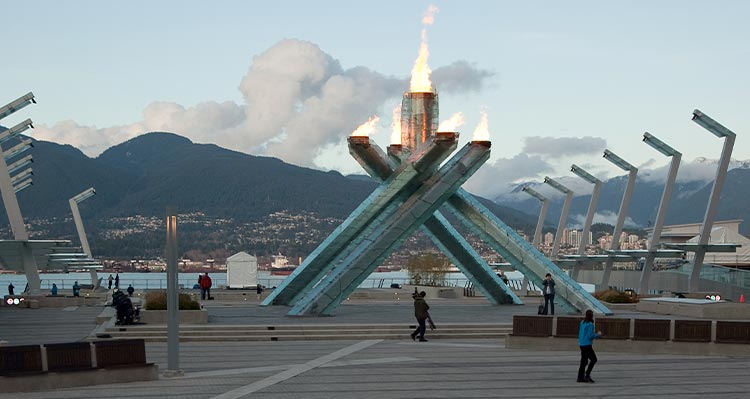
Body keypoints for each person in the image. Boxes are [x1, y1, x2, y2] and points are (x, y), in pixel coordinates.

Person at [578, 309, 602, 383]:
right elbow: (590, 336)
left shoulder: (582, 322)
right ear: (592, 316)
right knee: (594, 359)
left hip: (581, 344)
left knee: (584, 361)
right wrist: (598, 335)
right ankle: (587, 375)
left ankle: (580, 377)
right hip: (587, 345)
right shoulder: (590, 324)